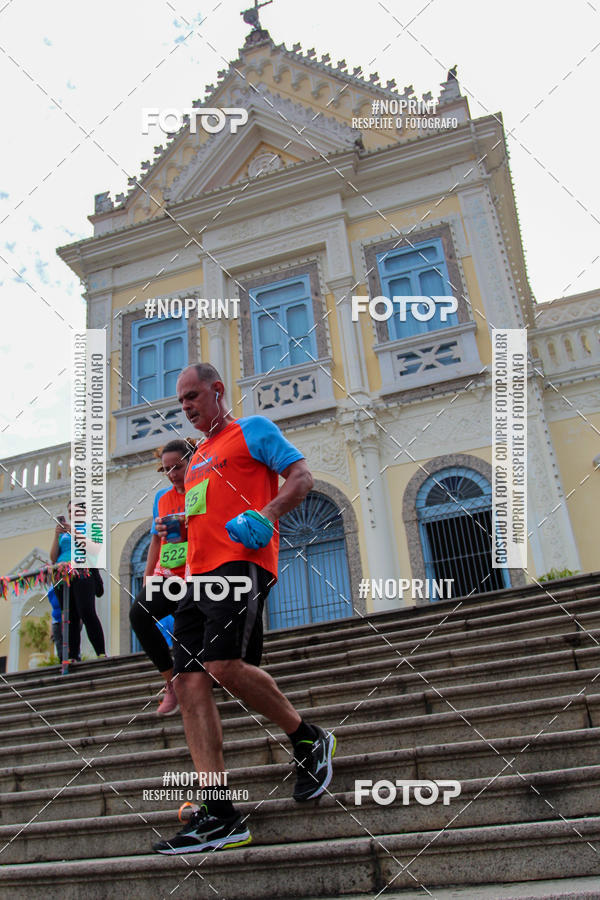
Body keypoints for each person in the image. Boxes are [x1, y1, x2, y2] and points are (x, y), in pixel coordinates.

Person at [153, 363, 336, 855]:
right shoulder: (193, 462)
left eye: (193, 396)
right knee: (189, 681)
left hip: (242, 565)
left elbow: (302, 477)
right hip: (195, 579)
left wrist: (269, 514)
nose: (187, 406)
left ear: (217, 390)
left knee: (224, 665)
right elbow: (198, 524)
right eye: (181, 401)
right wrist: (175, 542)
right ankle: (220, 814)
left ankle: (307, 738)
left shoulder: (252, 430)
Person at [129, 438, 196, 716]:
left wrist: (187, 523)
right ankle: (172, 683)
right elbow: (156, 539)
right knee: (139, 615)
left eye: (177, 467)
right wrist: (147, 577)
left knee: (185, 630)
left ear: (191, 462)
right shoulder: (162, 498)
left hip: (197, 574)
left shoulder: (202, 490)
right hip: (167, 574)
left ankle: (202, 680)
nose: (171, 475)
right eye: (165, 469)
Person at [50, 501, 106, 660]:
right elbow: (53, 557)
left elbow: (95, 548)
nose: (71, 514)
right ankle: (73, 655)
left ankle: (100, 652)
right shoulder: (63, 533)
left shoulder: (92, 527)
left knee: (87, 612)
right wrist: (56, 535)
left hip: (83, 571)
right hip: (62, 575)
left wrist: (73, 531)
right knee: (69, 616)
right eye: (69, 511)